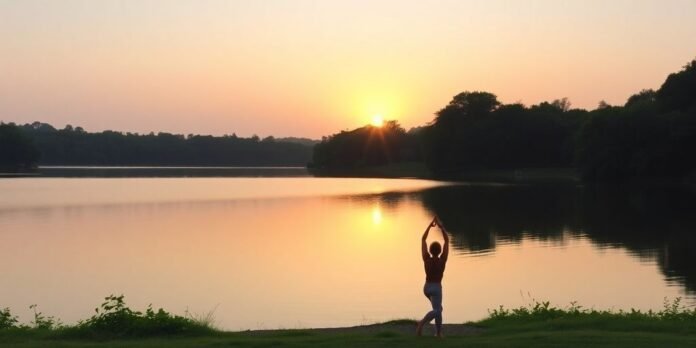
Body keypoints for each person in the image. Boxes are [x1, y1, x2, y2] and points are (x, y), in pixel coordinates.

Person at [417, 216, 449, 337]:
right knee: (437, 310)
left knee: (438, 309)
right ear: (440, 251)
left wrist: (430, 226)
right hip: (436, 288)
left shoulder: (426, 259)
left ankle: (439, 334)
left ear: (430, 250)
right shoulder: (443, 260)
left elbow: (423, 239)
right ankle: (421, 323)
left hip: (426, 287)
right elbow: (446, 240)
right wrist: (441, 227)